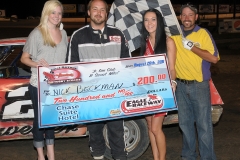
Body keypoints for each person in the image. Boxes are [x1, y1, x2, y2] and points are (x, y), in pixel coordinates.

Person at [66, 0, 131, 160]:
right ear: (88, 12)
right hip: (90, 98)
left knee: (117, 134)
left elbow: (128, 65)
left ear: (106, 13)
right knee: (94, 134)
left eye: (102, 10)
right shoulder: (78, 35)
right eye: (95, 9)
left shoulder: (118, 34)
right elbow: (71, 69)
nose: (98, 13)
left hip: (115, 97)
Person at [170, 3, 219, 160]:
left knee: (204, 126)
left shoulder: (203, 33)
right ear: (179, 17)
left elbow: (214, 58)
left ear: (196, 17)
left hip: (199, 86)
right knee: (185, 125)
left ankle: (208, 157)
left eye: (190, 15)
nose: (187, 18)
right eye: (184, 15)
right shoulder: (174, 35)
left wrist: (193, 48)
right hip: (181, 86)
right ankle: (188, 156)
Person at [20, 1, 68, 160]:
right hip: (39, 84)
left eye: (59, 13)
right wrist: (37, 64)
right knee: (41, 120)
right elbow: (24, 58)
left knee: (50, 120)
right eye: (53, 12)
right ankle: (41, 156)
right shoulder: (37, 33)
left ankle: (51, 155)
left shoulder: (64, 34)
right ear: (46, 13)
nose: (56, 16)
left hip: (57, 85)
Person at [139, 9, 177, 160]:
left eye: (153, 19)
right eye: (146, 20)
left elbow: (173, 68)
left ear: (159, 21)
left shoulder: (168, 41)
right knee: (150, 126)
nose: (149, 23)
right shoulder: (145, 41)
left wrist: (173, 83)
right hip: (147, 90)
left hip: (162, 90)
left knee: (156, 128)